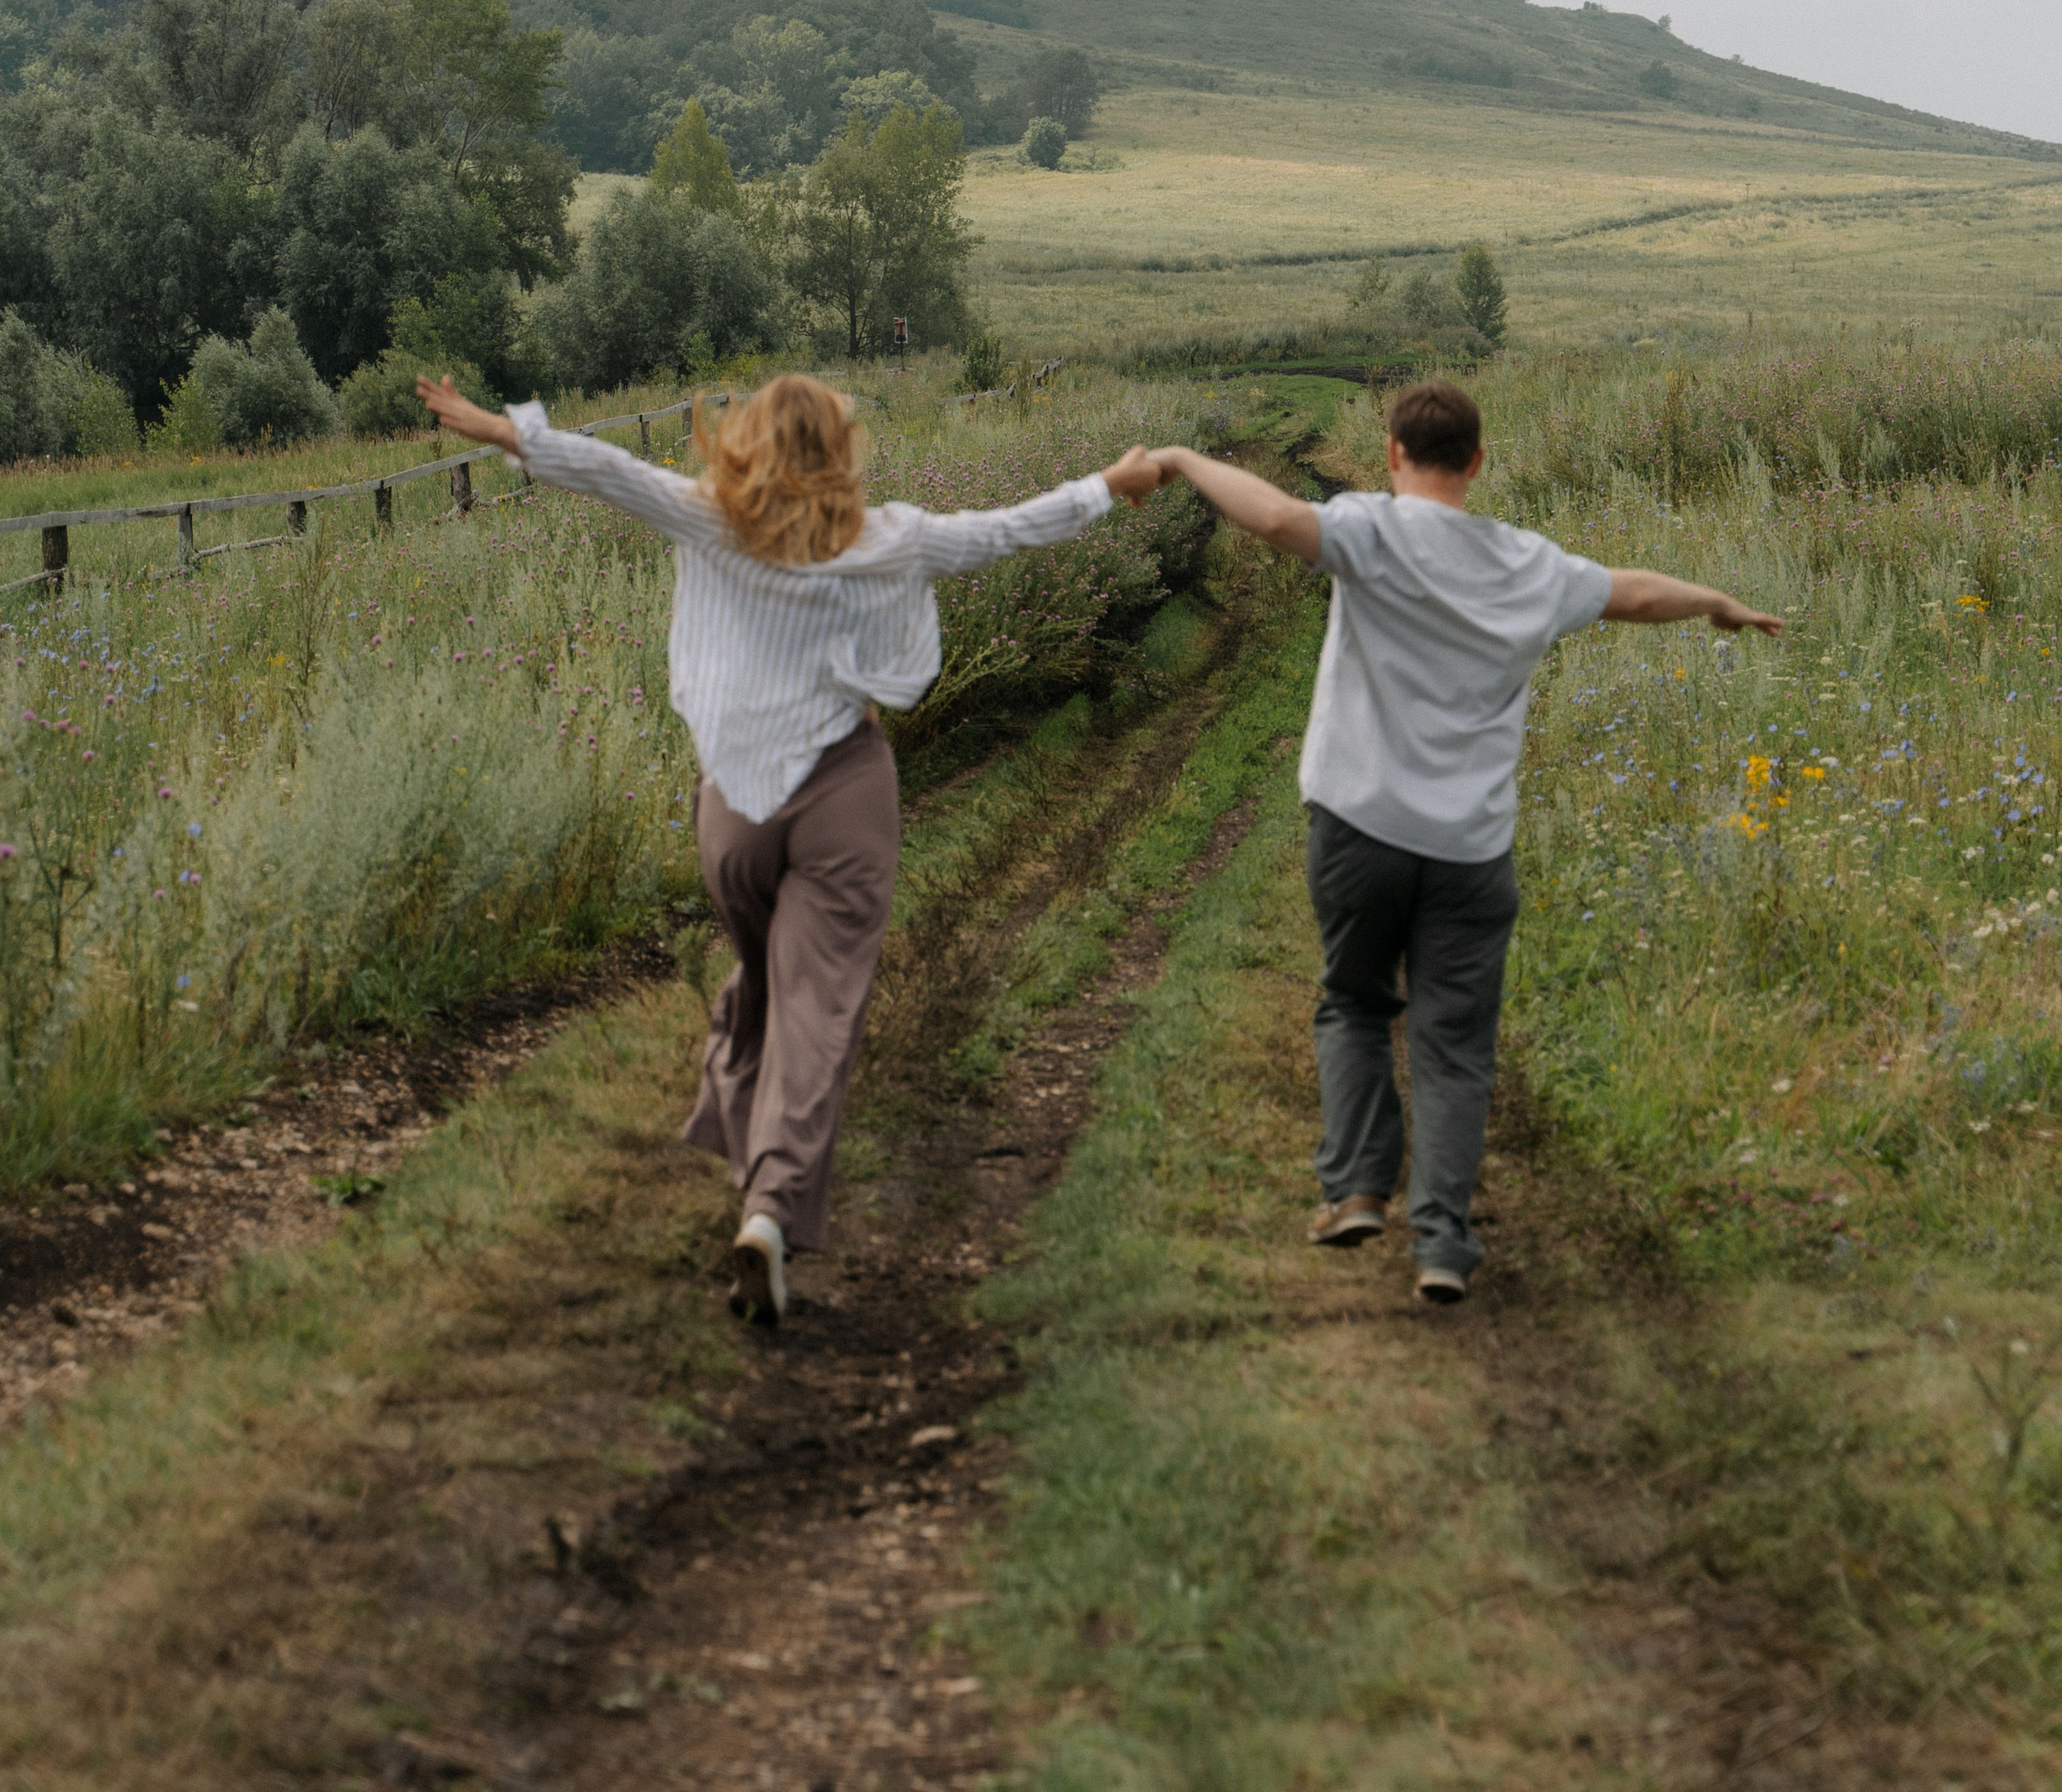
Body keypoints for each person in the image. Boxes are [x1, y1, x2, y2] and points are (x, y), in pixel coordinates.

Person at [417, 368, 1160, 1324]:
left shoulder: (704, 517)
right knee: (817, 1005)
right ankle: (768, 1210)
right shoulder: (890, 536)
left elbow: (600, 468)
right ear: (841, 451)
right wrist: (1113, 482)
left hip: (735, 806)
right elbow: (1010, 527)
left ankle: (753, 1162)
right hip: (843, 793)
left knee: (771, 981)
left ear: (747, 445)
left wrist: (490, 426)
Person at [1143, 378, 1781, 1305]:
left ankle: (1357, 1187)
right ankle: (1441, 1242)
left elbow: (1278, 518)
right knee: (1452, 1045)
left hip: (1359, 826)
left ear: (1394, 453)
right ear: (1478, 462)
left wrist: (1180, 460)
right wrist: (1715, 601)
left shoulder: (1368, 529)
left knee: (1355, 1002)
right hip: (1471, 850)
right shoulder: (1531, 565)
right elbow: (1633, 596)